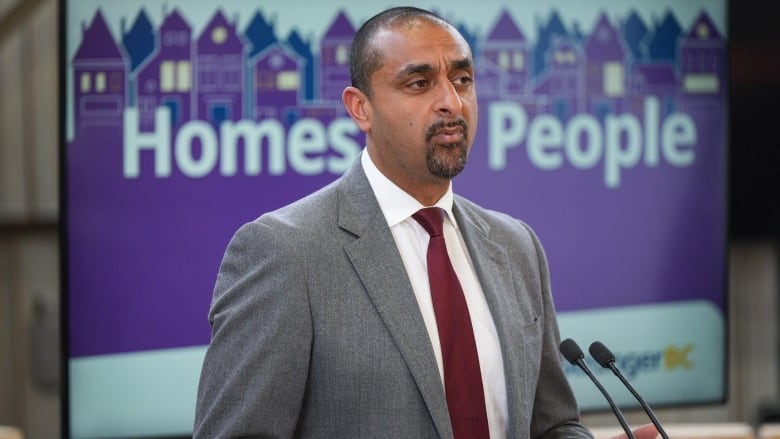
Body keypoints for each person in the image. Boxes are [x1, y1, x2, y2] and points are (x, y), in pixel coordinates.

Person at [194, 6, 659, 439]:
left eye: (463, 79)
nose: (452, 103)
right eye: (419, 83)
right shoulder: (285, 252)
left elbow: (552, 424)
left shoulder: (517, 246)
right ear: (361, 108)